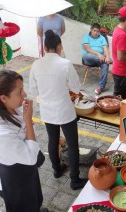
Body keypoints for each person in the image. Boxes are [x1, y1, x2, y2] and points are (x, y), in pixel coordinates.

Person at [29, 30, 87, 190]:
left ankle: (56, 170)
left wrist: (45, 97)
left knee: (52, 141)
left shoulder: (36, 64)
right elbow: (76, 87)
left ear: (45, 47)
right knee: (73, 144)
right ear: (59, 46)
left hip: (47, 111)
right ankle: (74, 180)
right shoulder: (65, 63)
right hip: (65, 111)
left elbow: (34, 91)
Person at [0, 70, 45, 212]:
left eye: (23, 89)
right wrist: (28, 122)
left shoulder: (12, 108)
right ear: (3, 98)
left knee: (35, 197)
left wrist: (26, 123)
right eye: (19, 92)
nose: (24, 95)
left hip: (25, 168)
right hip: (12, 180)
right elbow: (31, 157)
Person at [82, 23, 111, 95]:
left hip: (100, 60)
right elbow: (88, 49)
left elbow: (105, 48)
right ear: (91, 30)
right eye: (94, 31)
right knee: (88, 55)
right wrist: (99, 55)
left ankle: (101, 87)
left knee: (105, 64)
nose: (96, 33)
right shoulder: (86, 37)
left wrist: (107, 57)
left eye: (97, 31)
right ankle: (111, 61)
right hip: (88, 59)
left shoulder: (102, 38)